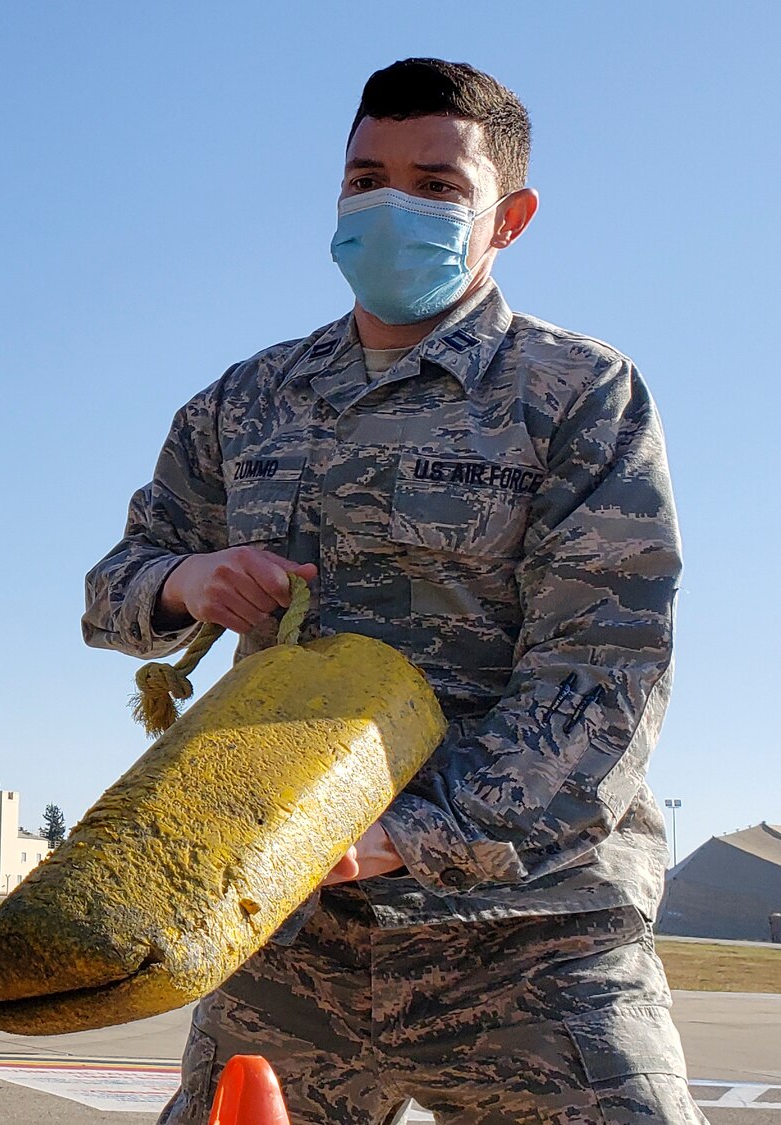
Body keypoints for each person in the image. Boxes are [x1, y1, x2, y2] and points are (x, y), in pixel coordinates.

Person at [84, 58, 701, 1123]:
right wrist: (191, 580)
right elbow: (112, 591)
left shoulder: (572, 394)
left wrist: (398, 835)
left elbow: (602, 678)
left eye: (433, 187)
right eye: (364, 178)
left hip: (523, 939)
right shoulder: (246, 400)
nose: (388, 206)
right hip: (290, 942)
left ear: (507, 219)